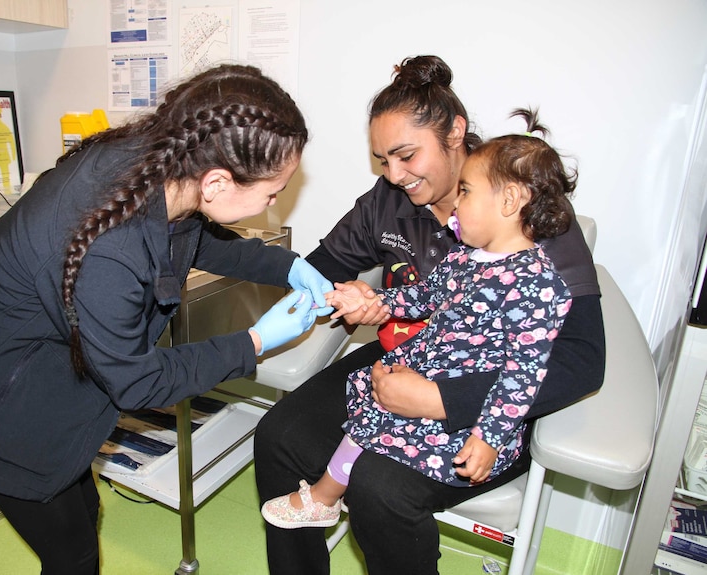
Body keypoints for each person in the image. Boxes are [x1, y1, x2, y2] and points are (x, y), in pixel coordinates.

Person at [0, 64, 334, 575]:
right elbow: (140, 383)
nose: (274, 201)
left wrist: (286, 265)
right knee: (74, 555)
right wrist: (255, 342)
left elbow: (197, 238)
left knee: (83, 514)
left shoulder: (163, 167)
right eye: (273, 191)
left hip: (43, 374)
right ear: (217, 181)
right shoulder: (110, 249)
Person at [254, 55, 605, 574]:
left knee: (379, 486)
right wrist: (342, 296)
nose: (394, 176)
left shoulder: (534, 221)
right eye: (382, 161)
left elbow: (579, 360)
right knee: (280, 436)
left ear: (456, 133)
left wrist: (440, 399)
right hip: (413, 355)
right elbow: (325, 272)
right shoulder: (388, 203)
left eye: (406, 155)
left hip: (493, 390)